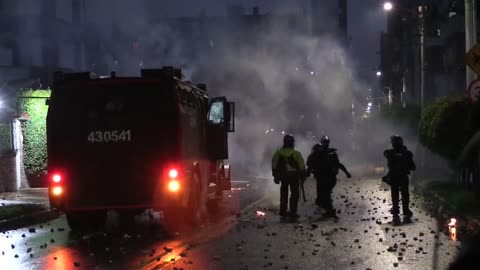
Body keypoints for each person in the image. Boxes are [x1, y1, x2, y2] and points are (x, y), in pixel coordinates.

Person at [306, 136, 351, 218]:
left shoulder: (322, 153)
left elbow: (310, 165)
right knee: (324, 196)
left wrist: (346, 172)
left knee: (324, 196)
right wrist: (346, 172)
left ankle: (330, 211)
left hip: (326, 178)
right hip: (328, 178)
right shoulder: (327, 153)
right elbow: (339, 165)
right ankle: (329, 210)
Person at [272, 134, 306, 220]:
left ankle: (283, 211)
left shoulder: (278, 153)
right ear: (292, 143)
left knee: (284, 193)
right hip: (294, 176)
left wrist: (275, 176)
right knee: (294, 195)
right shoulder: (296, 153)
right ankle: (293, 212)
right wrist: (303, 176)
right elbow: (301, 166)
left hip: (283, 176)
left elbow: (274, 164)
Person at [383, 135, 416, 225]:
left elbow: (390, 163)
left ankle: (396, 214)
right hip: (403, 177)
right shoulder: (407, 153)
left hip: (394, 177)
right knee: (405, 194)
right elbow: (413, 167)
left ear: (393, 143)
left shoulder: (389, 153)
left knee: (395, 195)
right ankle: (405, 211)